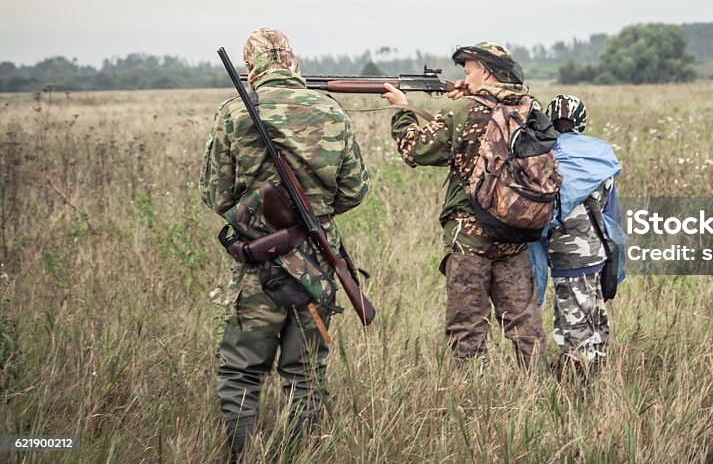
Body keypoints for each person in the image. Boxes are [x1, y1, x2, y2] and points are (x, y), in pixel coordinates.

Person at [201, 28, 369, 461]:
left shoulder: (235, 112)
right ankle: (303, 454)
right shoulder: (329, 110)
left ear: (250, 69)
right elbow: (354, 191)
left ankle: (240, 455)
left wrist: (262, 213)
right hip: (316, 261)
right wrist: (311, 213)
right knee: (307, 373)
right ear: (293, 62)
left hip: (259, 261)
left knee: (241, 371)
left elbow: (217, 196)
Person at [380, 41, 544, 366]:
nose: (465, 77)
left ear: (485, 71)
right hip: (516, 235)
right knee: (526, 327)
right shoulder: (530, 109)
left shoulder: (463, 111)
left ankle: (472, 403)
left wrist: (401, 109)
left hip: (470, 239)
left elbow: (417, 150)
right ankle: (538, 390)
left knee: (466, 331)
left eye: (468, 70)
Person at [528, 94, 626, 379]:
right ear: (581, 122)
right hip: (597, 252)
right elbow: (612, 213)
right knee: (595, 315)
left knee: (571, 320)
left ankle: (581, 384)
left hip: (565, 255)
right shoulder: (601, 156)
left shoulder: (546, 159)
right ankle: (596, 372)